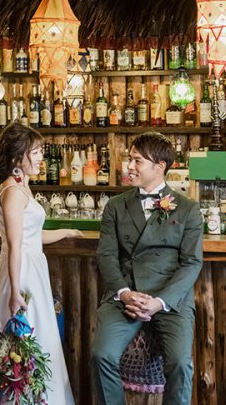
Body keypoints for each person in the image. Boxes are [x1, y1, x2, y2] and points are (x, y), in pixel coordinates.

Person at [0, 123, 82, 405]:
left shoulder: (22, 187)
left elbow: (31, 236)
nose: (41, 157)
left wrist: (67, 232)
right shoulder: (12, 192)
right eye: (35, 152)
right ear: (16, 157)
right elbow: (15, 245)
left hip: (31, 269)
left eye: (40, 151)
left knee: (38, 337)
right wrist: (15, 292)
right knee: (20, 341)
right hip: (19, 274)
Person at [90, 131, 203, 405]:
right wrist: (125, 293)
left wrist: (160, 301)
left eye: (137, 161)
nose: (129, 166)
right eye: (130, 159)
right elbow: (106, 255)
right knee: (101, 355)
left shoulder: (188, 209)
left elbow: (191, 262)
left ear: (159, 166)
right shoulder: (115, 206)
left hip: (170, 300)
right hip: (125, 296)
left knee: (180, 363)